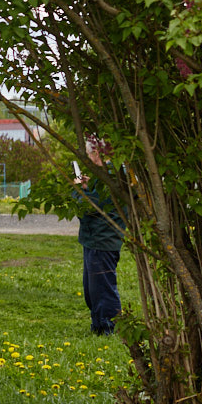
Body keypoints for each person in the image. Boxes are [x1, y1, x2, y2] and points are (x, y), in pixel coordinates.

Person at [74, 142, 125, 336]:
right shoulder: (104, 176)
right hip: (94, 238)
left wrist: (79, 190)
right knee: (92, 289)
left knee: (103, 287)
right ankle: (98, 324)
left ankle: (109, 327)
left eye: (89, 155)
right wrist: (87, 186)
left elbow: (88, 208)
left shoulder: (110, 176)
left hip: (103, 239)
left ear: (97, 153)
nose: (88, 160)